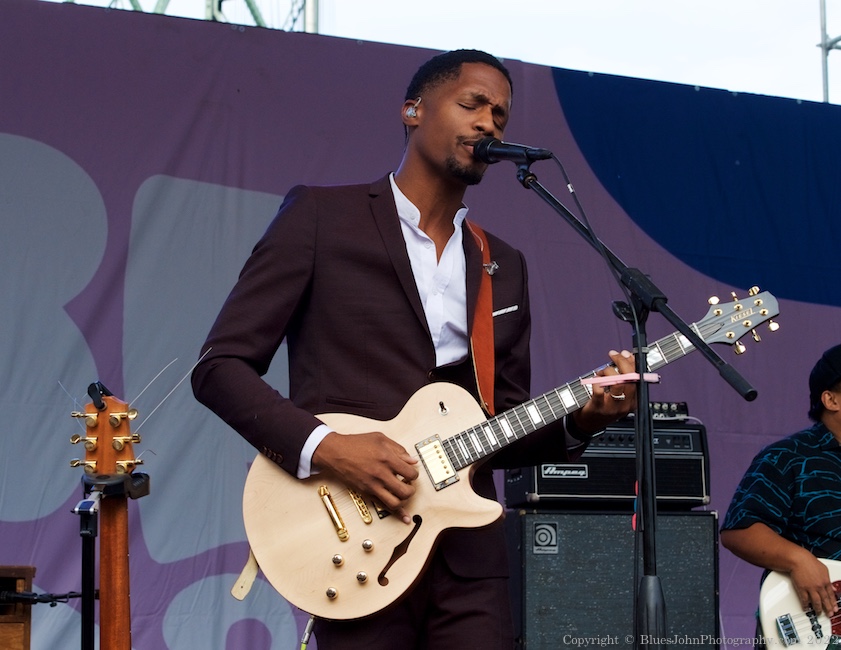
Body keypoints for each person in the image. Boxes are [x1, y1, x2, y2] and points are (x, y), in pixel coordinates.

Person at [191, 48, 636, 649]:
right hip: (355, 542)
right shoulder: (322, 218)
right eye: (471, 104)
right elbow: (219, 368)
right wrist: (330, 449)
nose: (488, 124)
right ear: (412, 110)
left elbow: (501, 423)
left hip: (469, 558)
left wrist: (583, 419)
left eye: (500, 117)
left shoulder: (502, 263)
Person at [721, 343, 841, 641]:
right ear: (831, 399)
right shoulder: (788, 456)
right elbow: (740, 530)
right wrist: (798, 560)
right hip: (816, 629)